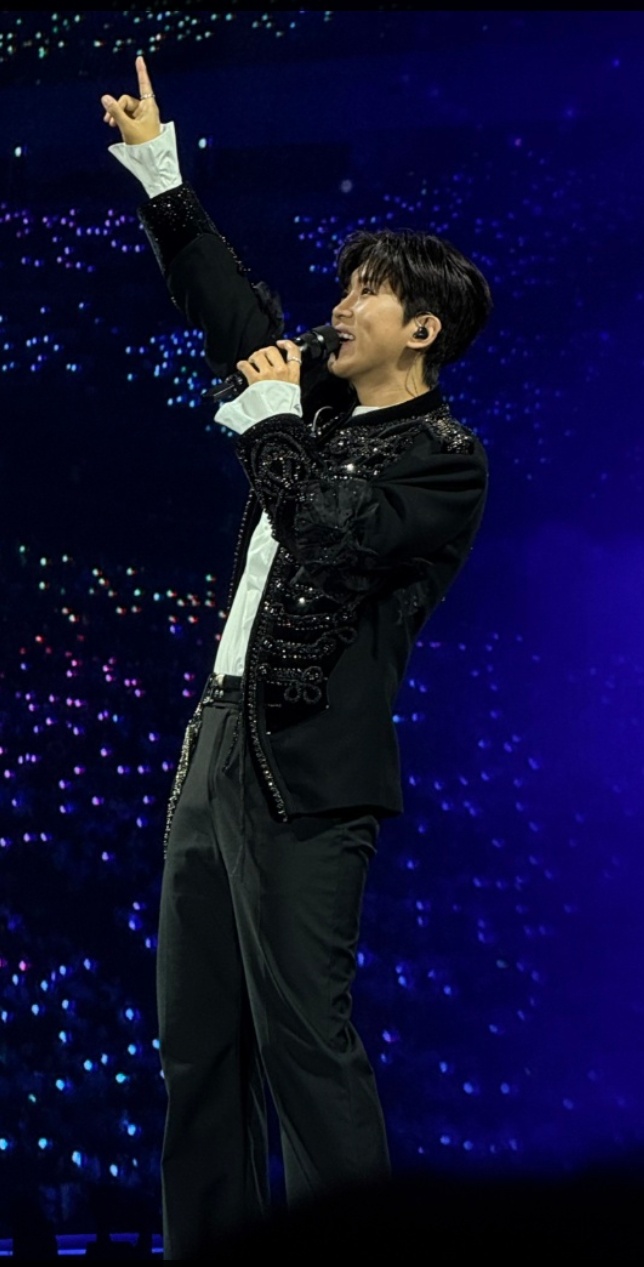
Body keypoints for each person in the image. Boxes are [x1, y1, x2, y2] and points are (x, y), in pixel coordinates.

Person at [101, 57, 492, 1261]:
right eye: (347, 285)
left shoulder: (444, 460)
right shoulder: (311, 403)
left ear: (420, 330)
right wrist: (162, 174)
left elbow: (329, 529)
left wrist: (271, 420)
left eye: (369, 292)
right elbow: (235, 315)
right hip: (216, 745)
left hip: (310, 776)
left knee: (305, 1046)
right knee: (196, 1049)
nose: (342, 305)